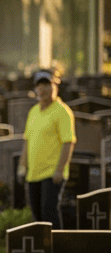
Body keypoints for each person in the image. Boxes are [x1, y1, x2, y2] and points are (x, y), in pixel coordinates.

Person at [22, 69, 74, 227]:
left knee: (49, 212)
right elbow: (27, 141)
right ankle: (43, 250)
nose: (42, 89)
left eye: (46, 84)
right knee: (37, 215)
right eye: (39, 85)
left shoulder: (62, 111)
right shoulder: (34, 111)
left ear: (55, 86)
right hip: (34, 173)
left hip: (52, 173)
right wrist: (22, 166)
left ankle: (57, 248)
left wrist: (60, 169)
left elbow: (68, 142)